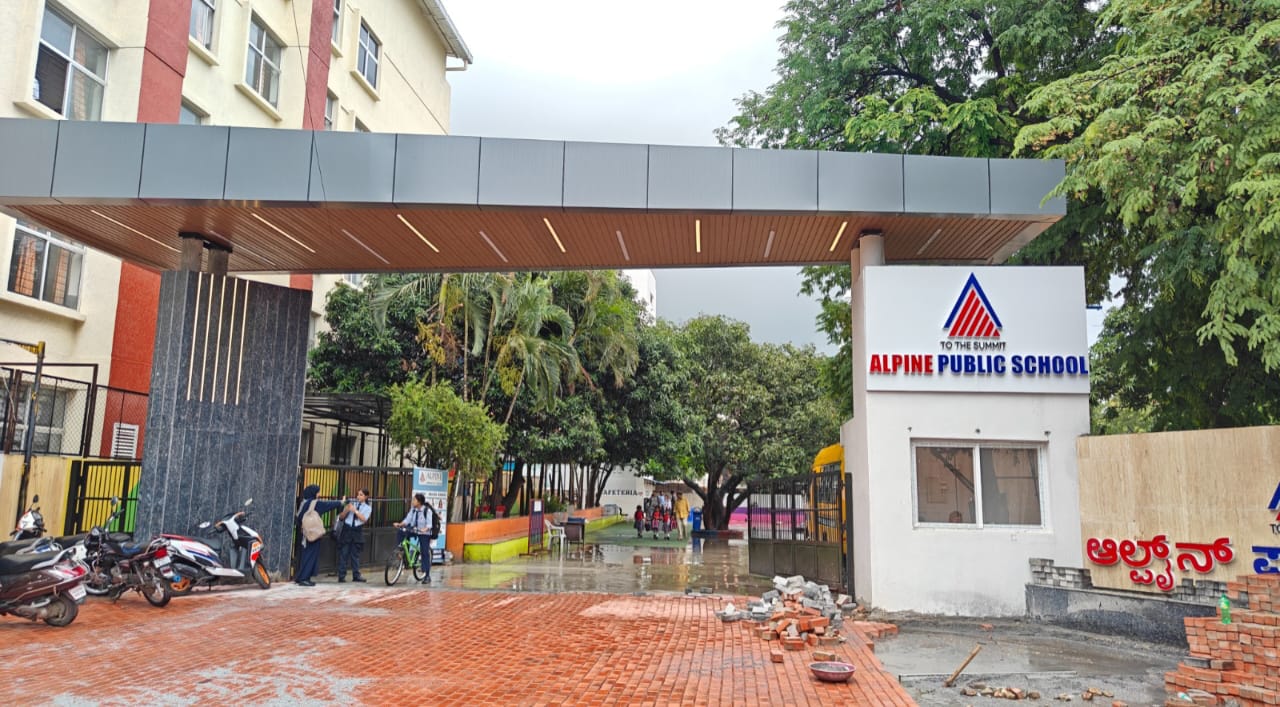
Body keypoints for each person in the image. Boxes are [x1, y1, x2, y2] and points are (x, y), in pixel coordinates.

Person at [295, 484, 344, 587]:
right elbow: (328, 505)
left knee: (305, 555)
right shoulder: (315, 503)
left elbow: (298, 518)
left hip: (304, 533)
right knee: (311, 555)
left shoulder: (303, 503)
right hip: (313, 534)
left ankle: (301, 577)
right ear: (314, 493)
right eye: (318, 492)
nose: (319, 494)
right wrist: (341, 502)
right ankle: (304, 578)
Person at [393, 493, 434, 584]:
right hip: (414, 529)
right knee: (401, 532)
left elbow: (429, 524)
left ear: (419, 502)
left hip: (424, 533)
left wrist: (425, 529)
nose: (412, 501)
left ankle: (427, 575)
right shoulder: (413, 510)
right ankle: (402, 550)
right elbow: (407, 519)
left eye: (414, 500)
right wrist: (400, 524)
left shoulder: (427, 511)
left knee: (424, 552)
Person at [337, 488, 372, 582]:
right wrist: (347, 510)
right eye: (358, 494)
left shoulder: (368, 508)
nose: (358, 496)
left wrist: (355, 510)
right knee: (344, 553)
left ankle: (356, 575)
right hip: (347, 529)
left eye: (361, 495)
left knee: (355, 555)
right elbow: (341, 517)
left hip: (357, 531)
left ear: (366, 496)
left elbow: (364, 519)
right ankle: (341, 575)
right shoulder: (352, 503)